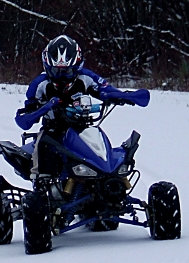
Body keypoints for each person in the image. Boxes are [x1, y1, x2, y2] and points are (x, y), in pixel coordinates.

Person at [15, 35, 147, 178]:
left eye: (68, 71)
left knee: (102, 148)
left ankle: (113, 182)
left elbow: (105, 89)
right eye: (56, 71)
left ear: (77, 67)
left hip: (83, 128)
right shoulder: (40, 84)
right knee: (44, 146)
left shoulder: (86, 77)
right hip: (53, 130)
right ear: (47, 67)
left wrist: (122, 96)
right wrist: (45, 107)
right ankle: (41, 185)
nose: (62, 77)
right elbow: (25, 116)